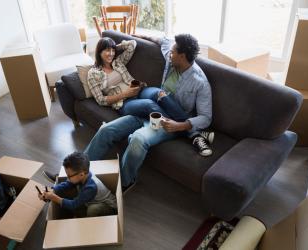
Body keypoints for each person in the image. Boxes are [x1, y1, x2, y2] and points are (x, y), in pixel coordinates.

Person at [84, 33, 213, 191]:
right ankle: (78, 169)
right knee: (105, 130)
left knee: (138, 138)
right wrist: (137, 34)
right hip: (146, 111)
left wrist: (181, 125)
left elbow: (206, 118)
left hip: (171, 124)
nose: (169, 55)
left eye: (172, 53)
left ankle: (126, 181)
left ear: (182, 56)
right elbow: (163, 40)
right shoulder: (171, 57)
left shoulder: (200, 83)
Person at [39, 152, 117, 217]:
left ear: (81, 174)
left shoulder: (90, 187)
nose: (67, 178)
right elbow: (67, 184)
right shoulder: (81, 176)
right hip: (91, 201)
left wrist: (54, 197)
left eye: (69, 176)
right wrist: (52, 190)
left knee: (92, 210)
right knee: (74, 204)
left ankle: (90, 222)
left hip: (109, 207)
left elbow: (73, 204)